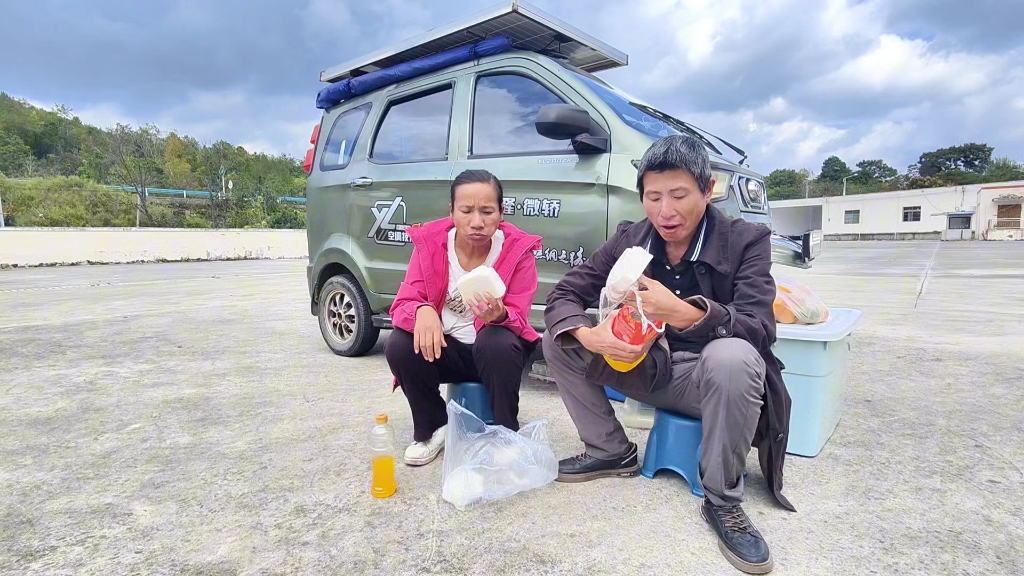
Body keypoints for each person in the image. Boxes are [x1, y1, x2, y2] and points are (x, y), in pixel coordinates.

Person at [542, 135, 794, 575]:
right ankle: (610, 450)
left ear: (708, 188)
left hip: (711, 380)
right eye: (653, 197)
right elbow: (565, 293)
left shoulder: (746, 240)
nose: (665, 211)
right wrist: (591, 335)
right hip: (647, 367)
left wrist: (682, 312)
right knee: (560, 338)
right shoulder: (631, 239)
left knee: (733, 356)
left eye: (679, 195)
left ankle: (722, 501)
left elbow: (758, 327)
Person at [385, 169, 542, 467]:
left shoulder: (518, 251)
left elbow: (520, 318)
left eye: (487, 211)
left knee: (498, 341)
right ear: (452, 212)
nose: (477, 222)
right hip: (447, 351)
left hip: (494, 356)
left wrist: (501, 315)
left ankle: (507, 432)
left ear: (501, 213)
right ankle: (433, 427)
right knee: (399, 344)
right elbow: (404, 301)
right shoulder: (431, 244)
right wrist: (422, 310)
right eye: (466, 211)